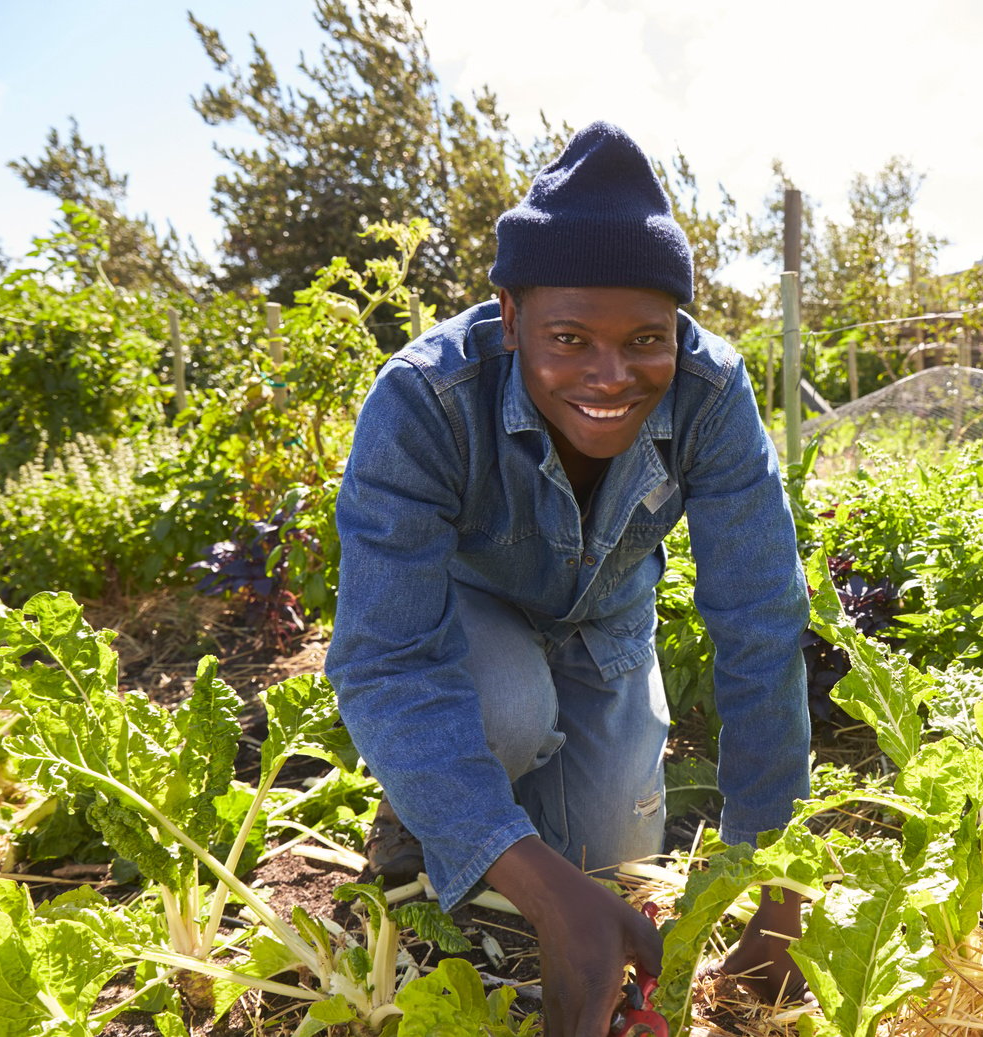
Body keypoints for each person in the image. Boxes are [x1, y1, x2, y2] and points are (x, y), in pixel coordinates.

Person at [324, 121, 813, 1034]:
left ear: (679, 329)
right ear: (511, 318)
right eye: (570, 337)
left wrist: (776, 887)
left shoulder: (712, 395)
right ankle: (417, 820)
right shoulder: (422, 400)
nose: (612, 375)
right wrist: (543, 897)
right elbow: (384, 657)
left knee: (612, 858)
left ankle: (488, 819)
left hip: (608, 620)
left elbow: (761, 618)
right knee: (504, 717)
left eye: (646, 340)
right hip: (472, 619)